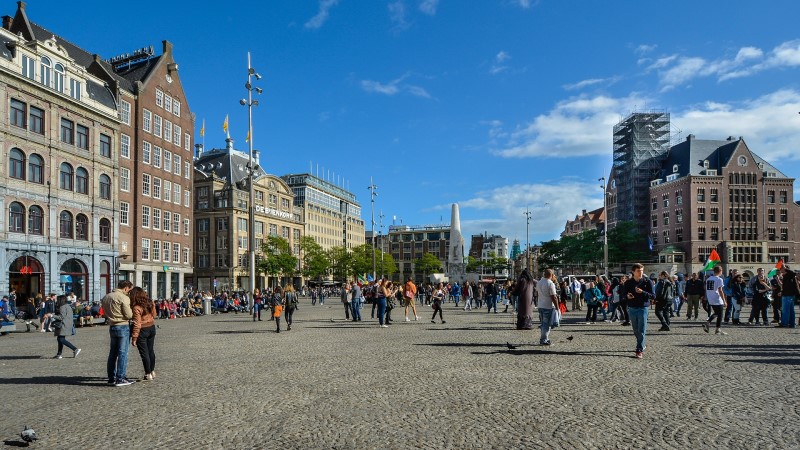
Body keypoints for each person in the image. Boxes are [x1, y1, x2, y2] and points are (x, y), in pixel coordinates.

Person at [102, 280, 135, 386]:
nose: (129, 292)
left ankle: (111, 377)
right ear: (126, 288)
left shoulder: (107, 296)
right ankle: (120, 378)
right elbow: (129, 315)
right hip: (123, 325)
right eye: (129, 290)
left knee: (113, 353)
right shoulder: (123, 297)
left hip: (112, 326)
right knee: (123, 353)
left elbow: (105, 312)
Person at [624, 263, 655, 359]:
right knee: (636, 330)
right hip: (632, 308)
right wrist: (627, 296)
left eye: (642, 270)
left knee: (641, 329)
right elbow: (623, 294)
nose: (641, 273)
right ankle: (642, 344)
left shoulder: (647, 282)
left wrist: (643, 292)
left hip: (643, 308)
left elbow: (653, 296)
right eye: (638, 271)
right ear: (633, 272)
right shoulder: (628, 283)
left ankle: (639, 349)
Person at [130, 287, 157, 381]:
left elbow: (137, 323)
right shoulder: (150, 302)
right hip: (152, 328)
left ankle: (148, 373)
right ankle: (152, 371)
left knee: (144, 353)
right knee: (150, 351)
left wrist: (134, 337)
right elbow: (154, 315)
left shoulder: (136, 307)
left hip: (142, 330)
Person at [702, 265, 728, 335]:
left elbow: (705, 288)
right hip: (717, 298)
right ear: (720, 271)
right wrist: (724, 301)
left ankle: (708, 323)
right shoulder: (719, 279)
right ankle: (717, 329)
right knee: (720, 314)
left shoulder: (709, 279)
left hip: (710, 298)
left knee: (716, 313)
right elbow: (720, 290)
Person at [536, 269, 558, 346]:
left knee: (543, 323)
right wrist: (557, 307)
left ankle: (545, 338)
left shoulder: (539, 283)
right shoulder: (550, 283)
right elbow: (554, 296)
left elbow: (538, 294)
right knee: (546, 324)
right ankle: (544, 340)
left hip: (540, 305)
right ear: (551, 275)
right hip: (548, 306)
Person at [778, 264, 798, 329]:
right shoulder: (786, 276)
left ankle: (784, 323)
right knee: (791, 310)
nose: (780, 270)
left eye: (781, 268)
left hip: (788, 295)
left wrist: (785, 268)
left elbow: (793, 273)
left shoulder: (790, 275)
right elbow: (786, 286)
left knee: (785, 310)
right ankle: (791, 323)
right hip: (787, 294)